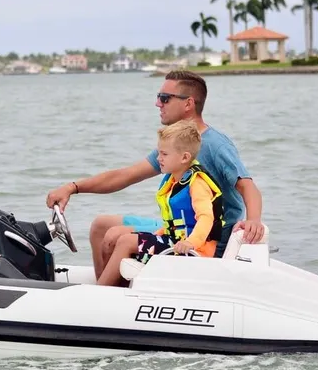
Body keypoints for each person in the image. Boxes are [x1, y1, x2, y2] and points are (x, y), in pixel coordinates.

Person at [45, 70, 264, 280]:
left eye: (165, 98)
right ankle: (109, 292)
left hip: (205, 236)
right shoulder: (175, 144)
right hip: (177, 226)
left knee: (116, 236)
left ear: (188, 103)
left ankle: (107, 294)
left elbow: (247, 186)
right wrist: (73, 187)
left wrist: (253, 220)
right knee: (101, 226)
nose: (157, 103)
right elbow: (125, 175)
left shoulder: (216, 145)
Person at [96, 120, 224, 286]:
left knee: (126, 241)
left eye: (164, 154)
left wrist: (190, 242)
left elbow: (206, 218)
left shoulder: (197, 183)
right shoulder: (174, 180)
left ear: (184, 157)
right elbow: (177, 222)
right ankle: (115, 289)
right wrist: (160, 232)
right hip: (175, 242)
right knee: (116, 238)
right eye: (159, 153)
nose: (159, 158)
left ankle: (102, 290)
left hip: (193, 251)